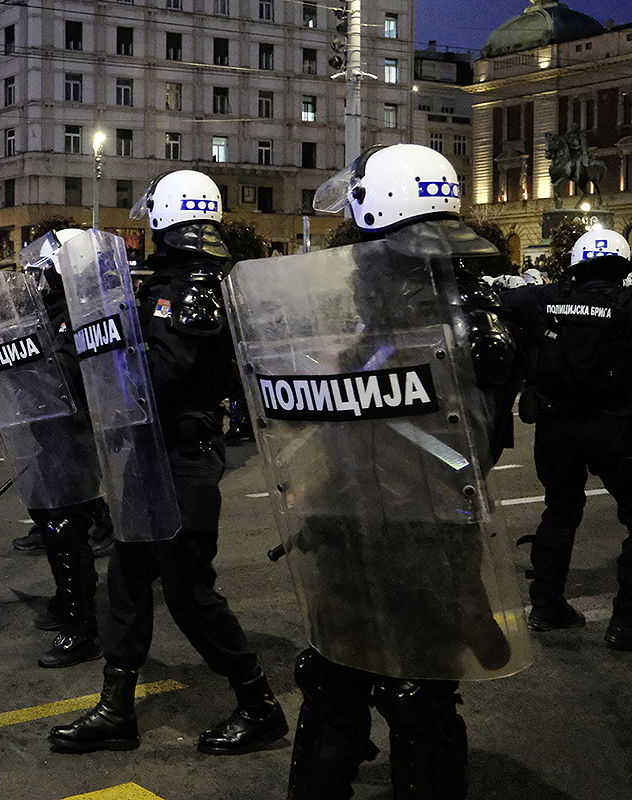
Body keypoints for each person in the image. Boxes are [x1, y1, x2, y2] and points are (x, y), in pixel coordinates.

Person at [270, 144, 528, 799]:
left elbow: (458, 437)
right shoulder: (466, 301)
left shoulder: (415, 307)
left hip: (407, 531)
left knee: (374, 690)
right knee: (370, 685)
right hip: (393, 525)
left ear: (378, 204)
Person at [49, 170, 288, 755]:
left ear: (163, 218)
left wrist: (91, 354)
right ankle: (117, 710)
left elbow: (157, 377)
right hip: (156, 454)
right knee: (128, 581)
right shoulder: (191, 280)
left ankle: (258, 702)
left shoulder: (185, 287)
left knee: (189, 593)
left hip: (180, 456)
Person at [503, 228, 632, 648]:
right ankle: (626, 625)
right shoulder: (628, 304)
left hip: (556, 428)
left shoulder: (544, 298)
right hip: (617, 428)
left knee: (559, 511)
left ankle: (546, 606)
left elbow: (499, 305)